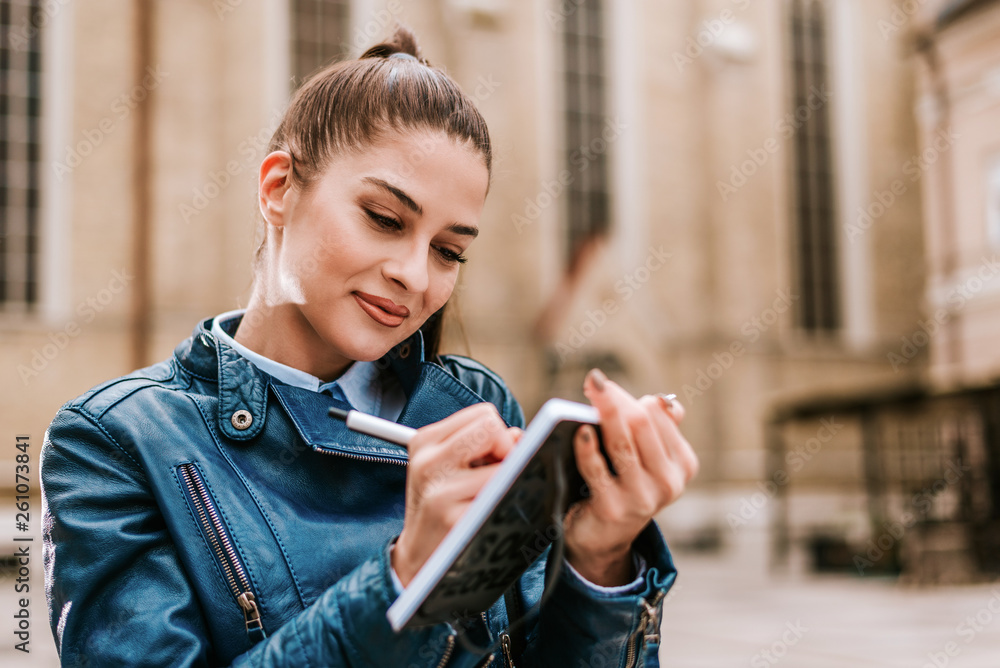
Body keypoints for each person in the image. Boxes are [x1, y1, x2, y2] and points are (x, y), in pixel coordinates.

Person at [40, 26, 698, 668]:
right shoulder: (116, 443)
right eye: (385, 219)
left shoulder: (476, 406)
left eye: (449, 251)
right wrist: (405, 578)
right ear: (277, 188)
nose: (415, 275)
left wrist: (600, 562)